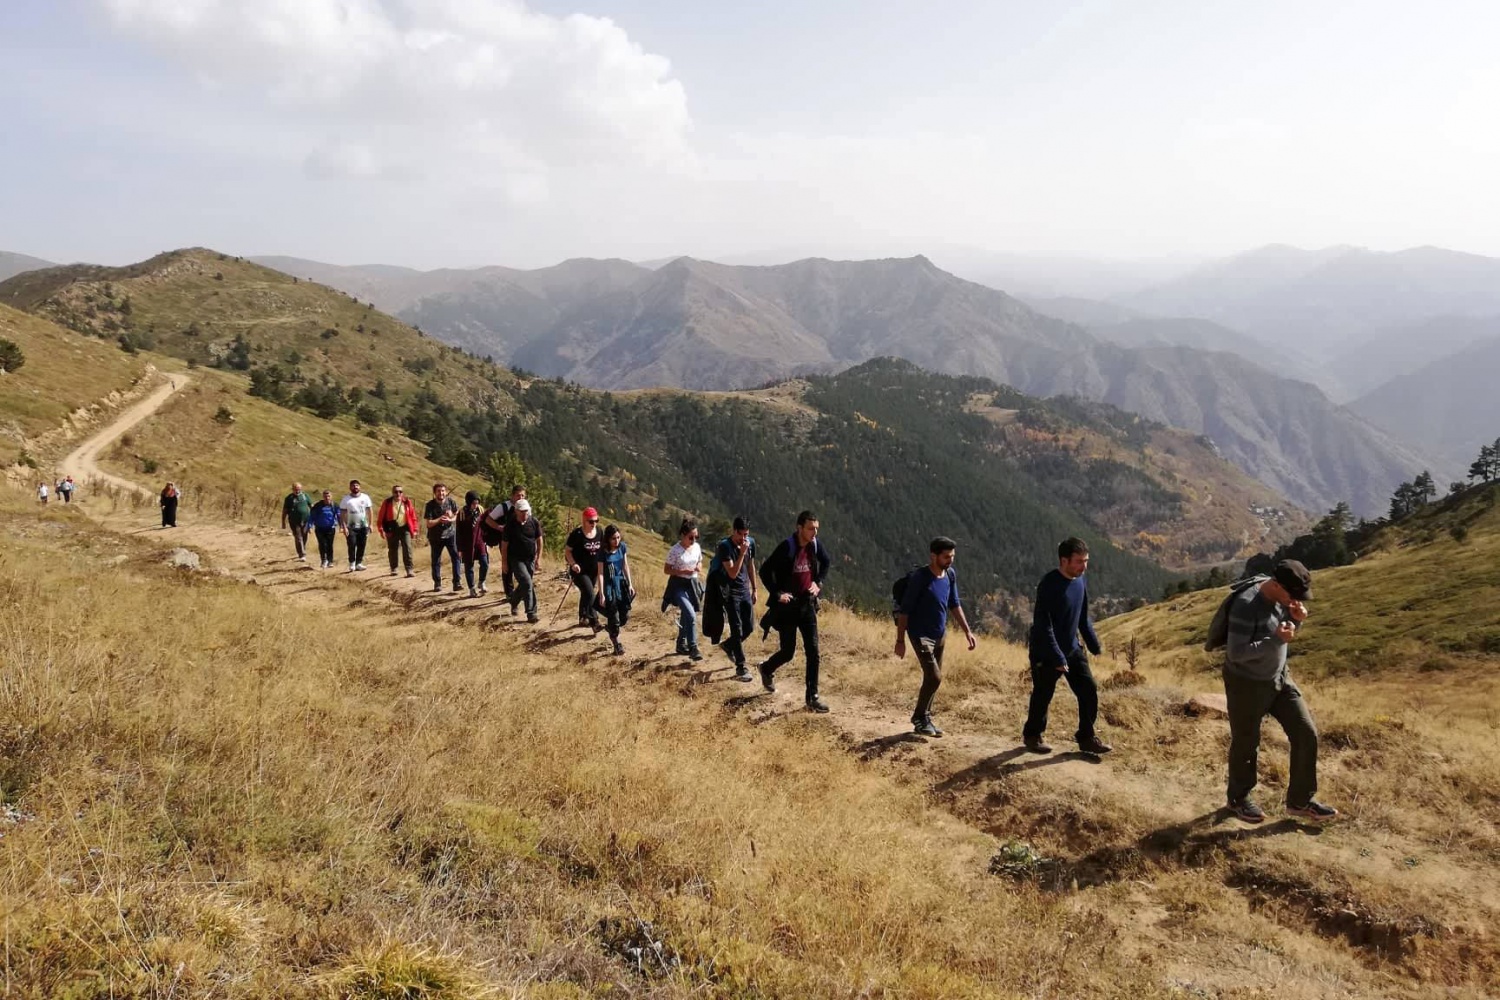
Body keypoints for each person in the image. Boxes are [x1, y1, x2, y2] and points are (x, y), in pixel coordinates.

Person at [1222, 559, 1337, 824]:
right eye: (1291, 595)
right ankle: (1237, 799)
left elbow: (1284, 633)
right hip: (1246, 684)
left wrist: (1297, 622)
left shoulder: (1282, 599)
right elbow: (1236, 653)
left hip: (1280, 678)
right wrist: (1277, 639)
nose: (1294, 600)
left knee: (1306, 732)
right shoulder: (1246, 605)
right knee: (1246, 742)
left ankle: (1300, 801)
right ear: (1275, 585)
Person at [1024, 537, 1112, 755]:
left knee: (1088, 689)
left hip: (1072, 649)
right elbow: (1044, 626)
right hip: (1046, 651)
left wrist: (1094, 646)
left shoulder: (1080, 581)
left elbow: (1082, 617)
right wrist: (1057, 657)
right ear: (1064, 561)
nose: (1084, 566)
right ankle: (1033, 735)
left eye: (1086, 561)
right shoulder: (1049, 585)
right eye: (1079, 561)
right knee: (1043, 694)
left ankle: (1087, 738)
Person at [895, 536, 977, 737]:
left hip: (940, 634)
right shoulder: (920, 578)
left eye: (952, 557)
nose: (950, 560)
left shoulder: (949, 574)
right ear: (933, 556)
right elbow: (905, 611)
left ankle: (925, 719)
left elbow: (954, 604)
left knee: (932, 679)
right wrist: (900, 641)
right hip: (920, 635)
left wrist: (967, 631)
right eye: (946, 557)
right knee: (935, 677)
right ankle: (919, 718)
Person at [757, 510, 832, 713]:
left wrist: (818, 583)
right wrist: (777, 593)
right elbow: (764, 571)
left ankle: (812, 697)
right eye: (810, 528)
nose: (814, 532)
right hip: (788, 607)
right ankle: (766, 668)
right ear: (799, 528)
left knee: (813, 651)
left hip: (807, 605)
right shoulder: (787, 547)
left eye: (816, 528)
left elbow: (826, 562)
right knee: (788, 652)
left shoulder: (815, 545)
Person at [709, 517, 758, 681]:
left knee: (749, 627)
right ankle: (741, 667)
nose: (744, 538)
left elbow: (751, 565)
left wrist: (755, 588)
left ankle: (729, 645)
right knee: (736, 628)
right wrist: (741, 553)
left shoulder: (750, 542)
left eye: (746, 534)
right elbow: (732, 572)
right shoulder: (725, 547)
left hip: (744, 590)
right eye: (741, 534)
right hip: (729, 592)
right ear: (734, 531)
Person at [662, 519, 704, 660]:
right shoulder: (675, 550)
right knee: (691, 614)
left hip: (692, 584)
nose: (694, 540)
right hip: (678, 585)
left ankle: (681, 642)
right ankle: (693, 647)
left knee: (687, 614)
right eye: (691, 537)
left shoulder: (697, 547)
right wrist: (682, 571)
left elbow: (700, 561)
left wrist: (698, 566)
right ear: (683, 535)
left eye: (696, 537)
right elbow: (666, 570)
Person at [500, 498, 543, 623]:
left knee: (525, 584)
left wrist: (538, 558)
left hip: (530, 558)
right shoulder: (510, 525)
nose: (525, 514)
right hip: (516, 559)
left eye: (526, 511)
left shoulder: (533, 522)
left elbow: (539, 540)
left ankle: (513, 600)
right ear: (516, 511)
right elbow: (504, 545)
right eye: (522, 511)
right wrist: (504, 562)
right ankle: (531, 613)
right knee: (527, 582)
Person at [483, 484, 527, 602]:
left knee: (522, 567)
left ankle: (519, 592)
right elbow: (488, 519)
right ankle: (509, 593)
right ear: (512, 496)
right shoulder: (503, 507)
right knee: (507, 566)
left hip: (521, 542)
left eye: (523, 495)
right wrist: (499, 527)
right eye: (518, 495)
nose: (521, 498)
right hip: (506, 542)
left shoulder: (525, 507)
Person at [565, 507, 606, 630]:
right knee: (590, 592)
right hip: (579, 571)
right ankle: (595, 621)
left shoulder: (599, 532)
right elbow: (568, 551)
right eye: (591, 521)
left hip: (594, 570)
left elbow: (603, 549)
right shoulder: (576, 534)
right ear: (584, 520)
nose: (594, 524)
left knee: (586, 593)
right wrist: (573, 564)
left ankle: (583, 617)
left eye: (596, 521)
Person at [597, 524, 635, 656]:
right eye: (613, 538)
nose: (616, 541)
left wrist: (630, 584)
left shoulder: (622, 547)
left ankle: (611, 626)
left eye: (618, 537)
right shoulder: (602, 552)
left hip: (620, 582)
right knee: (614, 615)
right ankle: (616, 643)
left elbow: (625, 565)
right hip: (609, 585)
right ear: (608, 539)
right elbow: (600, 573)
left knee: (623, 616)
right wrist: (601, 592)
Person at [424, 483, 462, 594]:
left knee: (456, 557)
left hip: (450, 535)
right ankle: (437, 583)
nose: (441, 493)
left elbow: (457, 515)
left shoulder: (451, 502)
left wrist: (451, 519)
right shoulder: (430, 505)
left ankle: (457, 582)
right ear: (434, 493)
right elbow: (429, 523)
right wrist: (440, 519)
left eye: (443, 491)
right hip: (435, 537)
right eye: (439, 491)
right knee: (436, 560)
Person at [377, 484, 419, 578]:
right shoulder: (387, 503)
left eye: (400, 491)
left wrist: (415, 529)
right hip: (391, 528)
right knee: (393, 549)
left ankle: (409, 569)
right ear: (392, 493)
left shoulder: (407, 502)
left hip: (405, 528)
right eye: (396, 492)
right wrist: (381, 530)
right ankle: (394, 568)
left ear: (402, 493)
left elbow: (413, 516)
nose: (398, 493)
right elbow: (380, 517)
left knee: (407, 548)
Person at [456, 490, 489, 597]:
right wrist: (459, 548)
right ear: (468, 502)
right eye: (473, 503)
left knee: (484, 563)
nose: (475, 505)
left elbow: (485, 526)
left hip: (480, 542)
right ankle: (471, 588)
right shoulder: (462, 513)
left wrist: (486, 541)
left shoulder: (480, 510)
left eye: (477, 503)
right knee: (469, 566)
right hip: (467, 544)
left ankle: (482, 581)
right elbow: (459, 532)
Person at [338, 479, 373, 571]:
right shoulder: (346, 499)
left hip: (363, 526)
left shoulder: (365, 498)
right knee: (352, 544)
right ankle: (352, 563)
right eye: (353, 485)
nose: (355, 487)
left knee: (362, 544)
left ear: (360, 487)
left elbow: (369, 511)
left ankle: (359, 563)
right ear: (350, 487)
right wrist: (344, 527)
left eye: (357, 485)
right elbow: (342, 514)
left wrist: (371, 524)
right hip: (350, 526)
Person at [308, 489, 341, 569]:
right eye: (325, 496)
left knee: (330, 544)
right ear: (323, 497)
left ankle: (330, 561)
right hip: (319, 528)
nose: (327, 498)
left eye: (328, 496)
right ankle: (323, 560)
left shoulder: (334, 505)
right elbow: (312, 516)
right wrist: (310, 526)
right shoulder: (318, 506)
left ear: (331, 496)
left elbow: (339, 516)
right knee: (322, 544)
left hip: (330, 528)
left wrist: (342, 526)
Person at [281, 481, 313, 562]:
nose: (297, 490)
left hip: (305, 520)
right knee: (298, 537)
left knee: (304, 536)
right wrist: (283, 522)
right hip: (294, 521)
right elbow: (285, 510)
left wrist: (314, 518)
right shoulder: (289, 498)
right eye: (295, 489)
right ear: (293, 489)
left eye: (299, 489)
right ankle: (302, 554)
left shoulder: (305, 496)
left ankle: (302, 549)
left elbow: (311, 506)